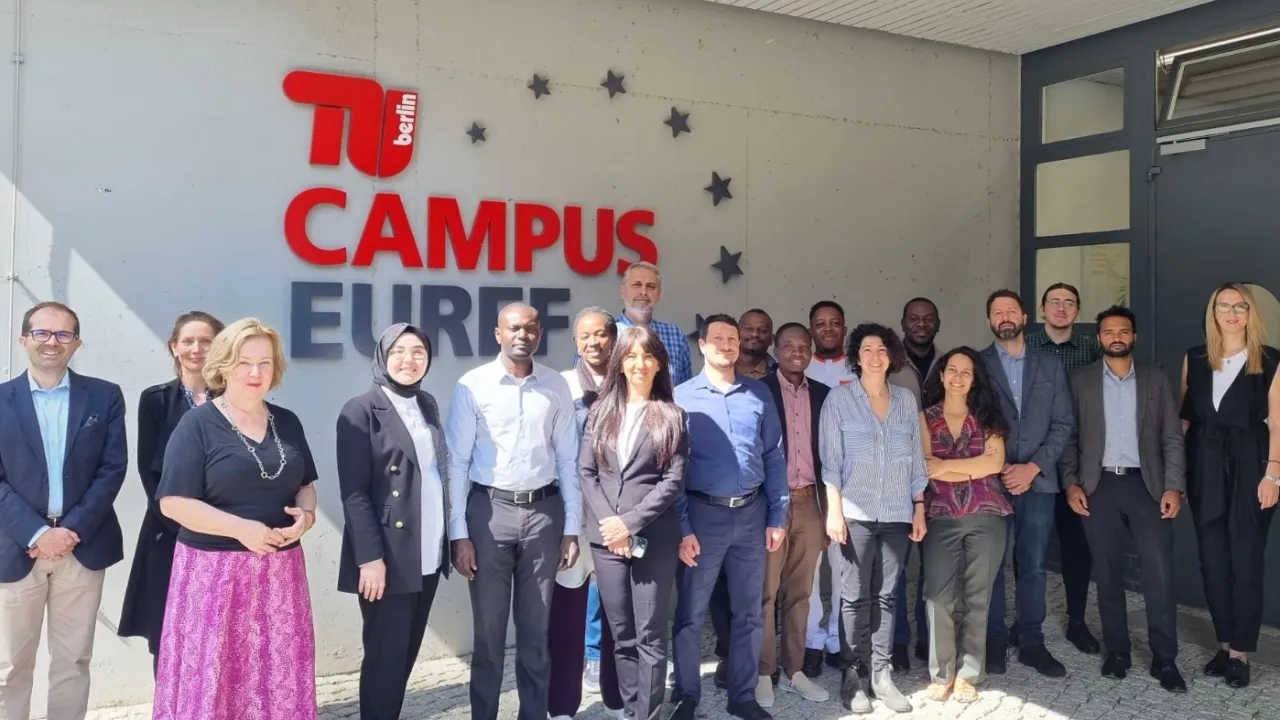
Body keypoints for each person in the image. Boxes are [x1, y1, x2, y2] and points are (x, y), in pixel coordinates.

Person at [153, 317, 320, 720]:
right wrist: (241, 529)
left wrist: (307, 516)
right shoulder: (197, 425)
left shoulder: (288, 421)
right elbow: (172, 503)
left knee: (277, 677)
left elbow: (306, 485)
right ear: (224, 366)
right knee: (215, 679)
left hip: (281, 576)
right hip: (214, 577)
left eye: (265, 363)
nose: (255, 372)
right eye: (244, 362)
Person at [446, 303, 581, 720]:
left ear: (540, 333)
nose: (522, 335)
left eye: (530, 328)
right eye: (514, 328)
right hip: (488, 515)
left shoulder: (556, 385)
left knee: (536, 635)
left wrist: (572, 526)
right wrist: (458, 533)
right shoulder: (473, 385)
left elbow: (568, 460)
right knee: (488, 636)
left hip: (544, 515)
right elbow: (457, 462)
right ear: (498, 333)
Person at [0, 302, 127, 720]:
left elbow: (112, 469)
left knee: (73, 662)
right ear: (23, 339)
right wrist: (38, 534)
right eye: (41, 332)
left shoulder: (105, 396)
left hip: (82, 547)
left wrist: (70, 530)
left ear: (77, 343)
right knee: (8, 668)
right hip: (15, 547)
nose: (51, 342)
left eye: (63, 334)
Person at [1060, 306, 1187, 693]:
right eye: (1109, 331)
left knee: (1159, 574)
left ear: (1134, 337)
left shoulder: (1155, 378)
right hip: (1098, 487)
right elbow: (1069, 437)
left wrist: (1173, 486)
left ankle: (1165, 659)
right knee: (1107, 571)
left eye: (1123, 331)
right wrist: (1071, 483)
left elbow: (1171, 437)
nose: (1116, 337)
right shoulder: (1080, 381)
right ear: (1099, 338)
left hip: (1147, 487)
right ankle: (1118, 651)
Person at [670, 314, 788, 720]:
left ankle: (742, 695)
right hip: (702, 517)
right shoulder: (681, 397)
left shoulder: (758, 393)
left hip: (753, 516)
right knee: (690, 612)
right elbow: (673, 468)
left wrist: (778, 515)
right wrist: (682, 526)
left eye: (732, 339)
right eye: (717, 338)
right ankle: (686, 695)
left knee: (750, 612)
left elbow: (774, 454)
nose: (726, 345)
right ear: (702, 345)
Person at [336, 324, 450, 720]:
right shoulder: (361, 409)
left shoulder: (427, 404)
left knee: (405, 654)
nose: (409, 360)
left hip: (427, 549)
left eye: (418, 351)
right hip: (388, 555)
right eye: (398, 351)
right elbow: (354, 493)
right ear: (383, 356)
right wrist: (369, 559)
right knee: (385, 657)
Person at [580, 324, 688, 720]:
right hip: (606, 540)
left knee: (650, 636)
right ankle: (631, 711)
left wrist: (629, 523)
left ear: (658, 364)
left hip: (653, 539)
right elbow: (586, 472)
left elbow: (673, 480)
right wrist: (611, 524)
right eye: (630, 356)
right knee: (622, 634)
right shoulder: (601, 412)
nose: (639, 364)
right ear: (619, 363)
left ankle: (650, 714)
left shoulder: (672, 416)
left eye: (647, 356)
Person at [819, 323, 927, 714]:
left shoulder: (904, 400)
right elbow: (830, 462)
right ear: (856, 357)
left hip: (898, 513)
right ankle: (853, 674)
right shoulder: (839, 400)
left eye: (882, 349)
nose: (875, 356)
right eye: (867, 349)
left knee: (887, 595)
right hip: (855, 514)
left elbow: (916, 459)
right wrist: (834, 511)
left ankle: (881, 673)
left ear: (891, 355)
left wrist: (919, 505)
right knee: (853, 597)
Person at [1180, 283, 1280, 689]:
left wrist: (1273, 474)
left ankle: (1240, 652)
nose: (1232, 313)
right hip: (1204, 467)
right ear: (1213, 312)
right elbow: (1184, 420)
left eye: (1240, 306)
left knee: (1246, 562)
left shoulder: (1270, 360)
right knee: (1212, 561)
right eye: (1224, 306)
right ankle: (1223, 645)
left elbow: (1278, 423)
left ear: (1250, 313)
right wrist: (1176, 476)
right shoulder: (1195, 358)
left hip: (1252, 469)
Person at [119, 310, 224, 675]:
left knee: (220, 631)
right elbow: (149, 473)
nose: (197, 349)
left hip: (229, 535)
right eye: (188, 341)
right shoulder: (155, 400)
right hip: (170, 533)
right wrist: (187, 525)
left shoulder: (235, 399)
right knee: (169, 633)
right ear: (174, 347)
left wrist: (222, 527)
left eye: (206, 341)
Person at [981, 289, 1073, 678]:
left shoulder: (1050, 365)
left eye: (1011, 311)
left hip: (1039, 480)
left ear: (1024, 317)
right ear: (989, 320)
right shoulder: (977, 365)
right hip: (992, 481)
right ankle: (994, 639)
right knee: (992, 564)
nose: (1004, 316)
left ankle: (1032, 640)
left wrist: (1032, 467)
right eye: (997, 312)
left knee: (1033, 565)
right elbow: (971, 422)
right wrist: (1002, 467)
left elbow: (1064, 423)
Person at [917, 347, 1011, 704]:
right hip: (940, 516)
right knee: (937, 596)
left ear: (975, 380)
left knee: (977, 596)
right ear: (941, 376)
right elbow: (925, 466)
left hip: (987, 515)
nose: (958, 377)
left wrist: (945, 467)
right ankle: (941, 674)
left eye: (966, 372)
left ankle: (969, 674)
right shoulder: (924, 418)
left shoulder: (988, 416)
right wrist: (971, 466)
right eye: (952, 370)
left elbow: (994, 465)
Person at [1026, 282, 1103, 656]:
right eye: (1054, 302)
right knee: (1029, 548)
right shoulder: (1026, 347)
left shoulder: (1092, 350)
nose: (1061, 308)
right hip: (1033, 464)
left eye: (1068, 302)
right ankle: (1026, 622)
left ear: (1078, 311)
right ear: (1042, 310)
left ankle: (1076, 621)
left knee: (1077, 546)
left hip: (1078, 465)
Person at [756, 323, 830, 706]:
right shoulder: (758, 390)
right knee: (765, 593)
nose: (797, 352)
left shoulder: (823, 394)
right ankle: (763, 672)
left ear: (811, 351)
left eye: (804, 346)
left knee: (801, 592)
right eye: (789, 345)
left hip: (811, 503)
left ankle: (793, 671)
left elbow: (831, 455)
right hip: (772, 505)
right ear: (775, 349)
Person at [557, 307, 624, 720]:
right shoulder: (561, 386)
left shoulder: (630, 382)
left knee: (618, 614)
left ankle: (616, 699)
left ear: (614, 339)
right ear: (575, 342)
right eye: (585, 336)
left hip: (618, 517)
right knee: (567, 614)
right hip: (574, 516)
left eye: (601, 334)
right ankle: (562, 705)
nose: (593, 343)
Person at [803, 300, 855, 678]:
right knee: (808, 569)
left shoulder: (858, 367)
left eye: (834, 322)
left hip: (848, 481)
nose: (828, 329)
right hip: (807, 479)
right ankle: (811, 640)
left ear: (844, 329)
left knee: (843, 566)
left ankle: (838, 639)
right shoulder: (798, 364)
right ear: (811, 330)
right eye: (820, 323)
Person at [893, 297, 942, 671]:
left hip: (940, 478)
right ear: (903, 323)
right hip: (896, 478)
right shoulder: (889, 364)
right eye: (914, 318)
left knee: (934, 566)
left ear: (937, 324)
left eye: (928, 318)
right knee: (896, 566)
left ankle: (929, 637)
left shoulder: (948, 364)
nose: (921, 323)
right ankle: (897, 640)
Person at [735, 309, 778, 380]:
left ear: (771, 339)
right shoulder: (720, 368)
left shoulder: (781, 373)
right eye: (748, 329)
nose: (754, 334)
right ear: (736, 335)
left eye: (763, 330)